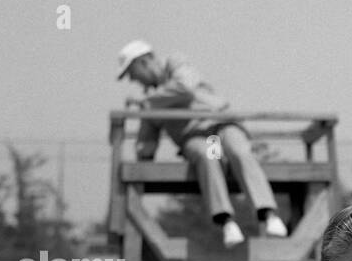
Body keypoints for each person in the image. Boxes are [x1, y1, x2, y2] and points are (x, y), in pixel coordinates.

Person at [117, 39, 289, 249]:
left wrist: (146, 102)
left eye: (134, 74)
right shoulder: (150, 102)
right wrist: (141, 166)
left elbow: (185, 87)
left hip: (220, 124)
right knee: (210, 157)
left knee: (239, 150)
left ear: (143, 62)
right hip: (204, 140)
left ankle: (268, 214)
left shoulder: (174, 63)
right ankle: (226, 221)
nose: (136, 81)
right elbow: (147, 140)